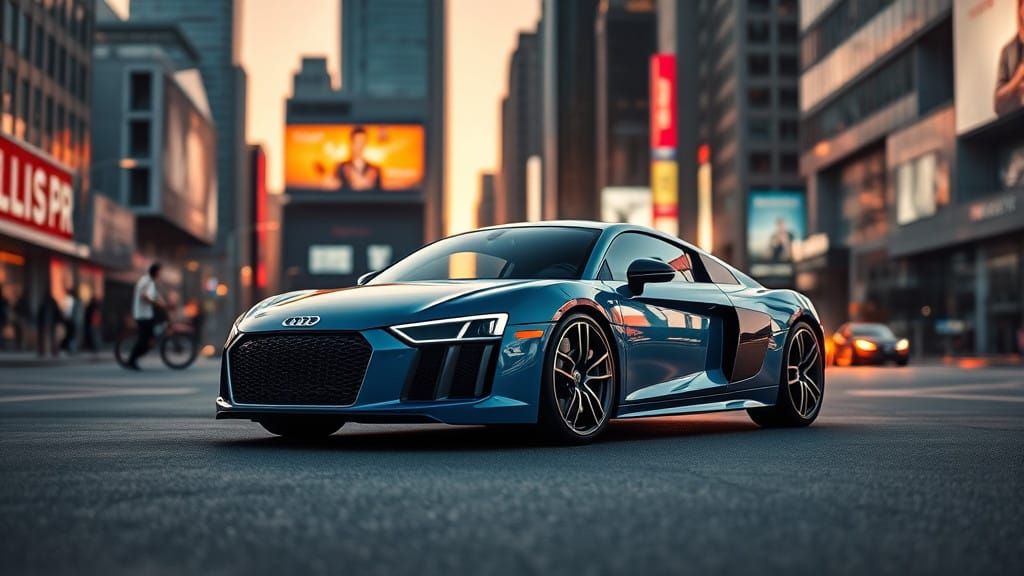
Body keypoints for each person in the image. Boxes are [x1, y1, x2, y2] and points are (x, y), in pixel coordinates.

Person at [126, 263, 167, 370]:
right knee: (144, 340)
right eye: (159, 272)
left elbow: (156, 296)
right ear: (156, 272)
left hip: (148, 315)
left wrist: (163, 303)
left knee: (150, 339)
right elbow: (144, 296)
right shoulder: (145, 281)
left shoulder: (151, 283)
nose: (160, 274)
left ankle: (133, 359)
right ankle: (131, 360)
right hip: (142, 315)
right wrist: (157, 303)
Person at [994, 0, 1024, 116]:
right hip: (1013, 123)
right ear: (1020, 9)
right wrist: (1017, 79)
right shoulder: (1007, 51)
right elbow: (998, 104)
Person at [334, 126, 382, 191]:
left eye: (363, 142)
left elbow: (380, 195)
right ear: (351, 144)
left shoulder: (376, 170)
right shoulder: (341, 167)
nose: (360, 146)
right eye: (357, 142)